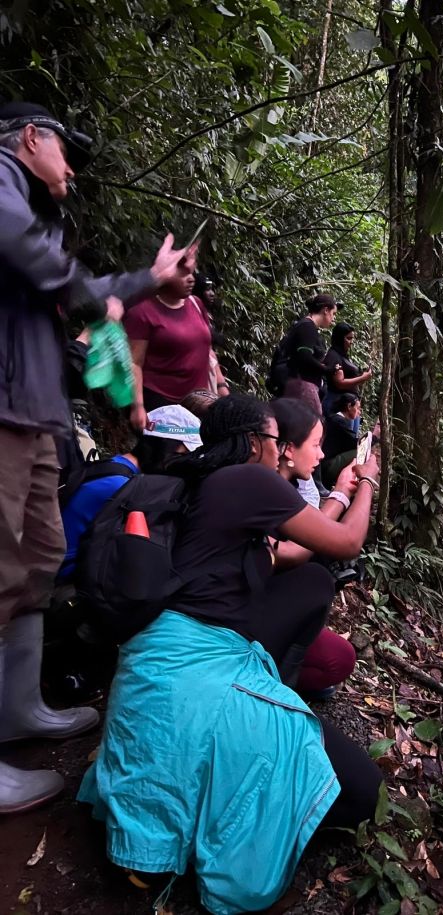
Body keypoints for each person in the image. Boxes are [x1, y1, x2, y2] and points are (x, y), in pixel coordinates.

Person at [79, 394, 382, 914]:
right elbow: (347, 542)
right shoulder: (248, 481)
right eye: (272, 439)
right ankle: (256, 737)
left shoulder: (209, 484)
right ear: (254, 443)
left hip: (166, 659)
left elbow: (297, 551)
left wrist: (337, 490)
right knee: (360, 793)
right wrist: (370, 481)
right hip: (198, 665)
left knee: (309, 581)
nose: (277, 449)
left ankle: (259, 712)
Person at [0, 100, 190, 814]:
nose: (72, 167)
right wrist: (121, 288)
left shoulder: (29, 214)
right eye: (65, 150)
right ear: (28, 138)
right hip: (4, 415)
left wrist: (114, 307)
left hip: (33, 414)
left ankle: (17, 708)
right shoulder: (1, 187)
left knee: (40, 558)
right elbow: (56, 277)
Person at [270, 399, 358, 699]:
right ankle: (274, 683)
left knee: (339, 659)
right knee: (317, 580)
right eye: (317, 445)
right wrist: (365, 485)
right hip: (236, 618)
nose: (322, 454)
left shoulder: (289, 486)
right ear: (288, 449)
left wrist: (342, 493)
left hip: (268, 604)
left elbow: (314, 527)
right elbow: (342, 540)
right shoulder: (262, 488)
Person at [58, 405, 203, 582]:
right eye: (181, 455)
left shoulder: (115, 468)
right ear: (164, 446)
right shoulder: (120, 485)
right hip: (67, 579)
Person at [124, 259, 229, 429]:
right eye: (183, 274)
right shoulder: (142, 312)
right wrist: (138, 407)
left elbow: (207, 348)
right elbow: (133, 363)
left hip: (198, 402)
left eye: (191, 273)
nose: (191, 279)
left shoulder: (196, 304)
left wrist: (221, 385)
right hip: (161, 403)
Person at [282, 292, 342, 414]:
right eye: (333, 313)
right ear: (326, 310)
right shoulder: (307, 327)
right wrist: (327, 369)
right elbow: (304, 357)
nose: (334, 318)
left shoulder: (306, 326)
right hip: (303, 385)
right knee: (313, 426)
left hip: (300, 384)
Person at [323, 322, 372, 432]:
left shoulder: (342, 355)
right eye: (348, 338)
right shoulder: (333, 355)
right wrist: (362, 378)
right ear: (340, 338)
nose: (351, 342)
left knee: (351, 441)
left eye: (352, 338)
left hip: (350, 405)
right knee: (343, 443)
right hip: (339, 404)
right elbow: (339, 383)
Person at [321, 393, 361, 489]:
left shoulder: (335, 419)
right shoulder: (339, 422)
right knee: (359, 453)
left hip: (325, 463)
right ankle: (346, 485)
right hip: (327, 465)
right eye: (358, 408)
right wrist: (375, 436)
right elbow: (357, 444)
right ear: (349, 406)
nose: (359, 412)